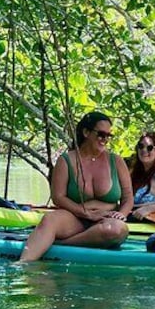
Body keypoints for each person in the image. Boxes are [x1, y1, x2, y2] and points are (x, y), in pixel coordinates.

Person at [19, 111, 133, 262]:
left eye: (108, 136)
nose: (104, 139)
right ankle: (23, 264)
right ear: (86, 132)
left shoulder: (116, 161)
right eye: (101, 134)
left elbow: (128, 197)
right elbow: (58, 197)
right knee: (49, 220)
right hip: (74, 217)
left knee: (116, 230)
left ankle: (60, 244)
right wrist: (84, 213)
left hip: (106, 219)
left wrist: (122, 214)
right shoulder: (66, 160)